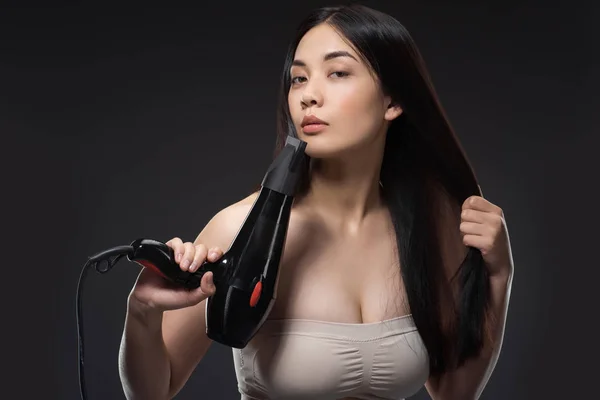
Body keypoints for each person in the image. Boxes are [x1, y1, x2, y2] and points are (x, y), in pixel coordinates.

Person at [118, 4, 514, 400]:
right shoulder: (240, 228)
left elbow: (453, 394)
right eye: (298, 78)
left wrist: (499, 275)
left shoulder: (429, 230)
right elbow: (153, 392)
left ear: (393, 101)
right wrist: (142, 313)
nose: (309, 95)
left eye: (338, 73)